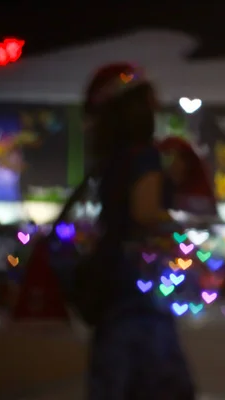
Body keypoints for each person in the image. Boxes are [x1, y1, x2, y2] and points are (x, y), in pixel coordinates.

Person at [82, 63, 195, 400]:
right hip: (139, 284)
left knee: (114, 378)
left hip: (112, 280)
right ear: (137, 106)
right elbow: (146, 213)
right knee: (155, 380)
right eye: (151, 98)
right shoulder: (145, 155)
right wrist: (180, 232)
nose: (157, 105)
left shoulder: (112, 157)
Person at [157, 136, 217, 216]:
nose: (174, 165)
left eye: (180, 158)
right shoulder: (157, 188)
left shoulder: (199, 193)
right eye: (168, 159)